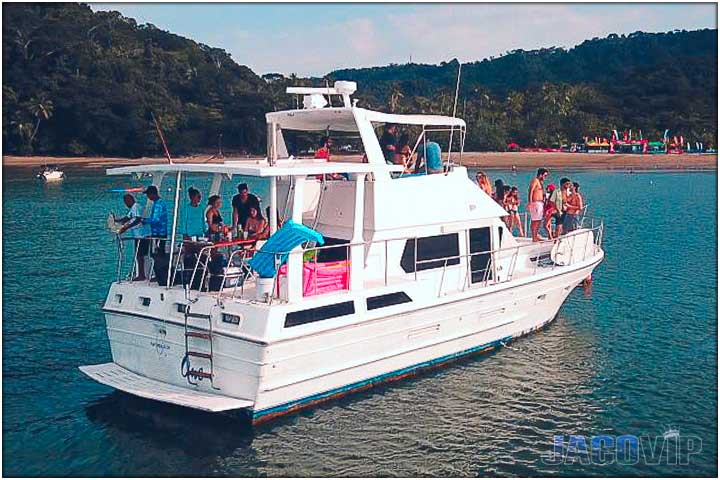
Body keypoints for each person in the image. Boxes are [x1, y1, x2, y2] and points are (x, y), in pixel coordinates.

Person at [116, 194, 150, 281]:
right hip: (137, 235)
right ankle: (141, 273)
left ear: (130, 200)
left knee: (140, 255)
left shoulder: (137, 207)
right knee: (139, 255)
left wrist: (126, 227)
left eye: (126, 201)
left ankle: (141, 274)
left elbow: (138, 219)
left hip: (142, 235)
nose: (126, 204)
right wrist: (117, 222)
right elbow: (127, 218)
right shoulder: (132, 209)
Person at [142, 185, 168, 254]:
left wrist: (144, 221)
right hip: (159, 232)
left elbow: (156, 220)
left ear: (152, 193)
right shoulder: (158, 203)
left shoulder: (158, 205)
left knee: (158, 253)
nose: (147, 196)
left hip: (159, 233)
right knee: (158, 251)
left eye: (148, 194)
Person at [527, 168, 549, 242]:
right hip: (535, 203)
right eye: (545, 176)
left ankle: (535, 235)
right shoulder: (535, 180)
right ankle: (534, 237)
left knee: (538, 220)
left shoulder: (540, 182)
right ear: (541, 174)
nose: (545, 178)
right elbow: (531, 190)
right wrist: (530, 202)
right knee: (536, 220)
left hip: (540, 203)